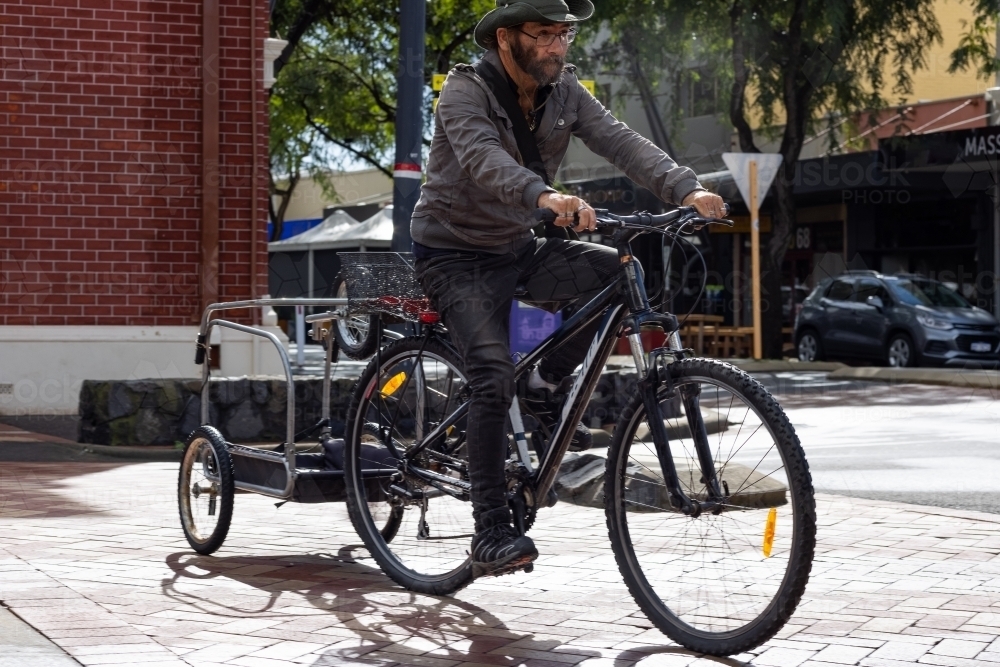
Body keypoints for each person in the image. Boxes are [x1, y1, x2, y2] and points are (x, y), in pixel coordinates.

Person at [411, 0, 726, 578]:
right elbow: (483, 161)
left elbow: (621, 141)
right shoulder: (463, 92)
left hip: (518, 247)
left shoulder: (566, 92)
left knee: (614, 270)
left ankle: (546, 381)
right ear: (507, 39)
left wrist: (685, 188)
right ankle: (489, 530)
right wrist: (545, 198)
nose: (557, 48)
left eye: (564, 36)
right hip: (456, 255)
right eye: (545, 36)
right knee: (488, 374)